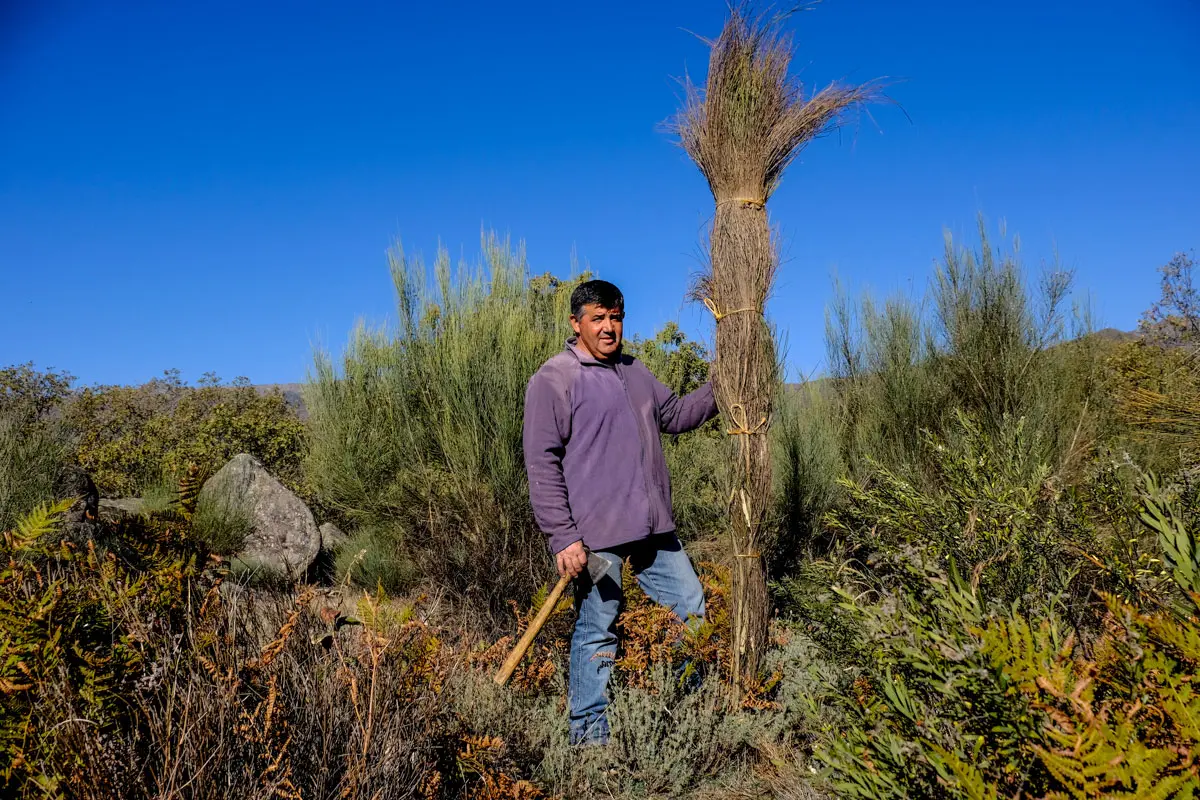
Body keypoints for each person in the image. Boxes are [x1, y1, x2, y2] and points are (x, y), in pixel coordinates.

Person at [522, 279, 719, 746]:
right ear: (576, 324)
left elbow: (675, 416)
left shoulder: (636, 372)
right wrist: (563, 538)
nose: (609, 328)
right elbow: (541, 463)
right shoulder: (554, 379)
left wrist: (721, 386)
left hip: (653, 529)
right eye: (598, 319)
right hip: (596, 537)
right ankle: (589, 738)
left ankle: (680, 709)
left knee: (690, 609)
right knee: (597, 632)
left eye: (615, 317)